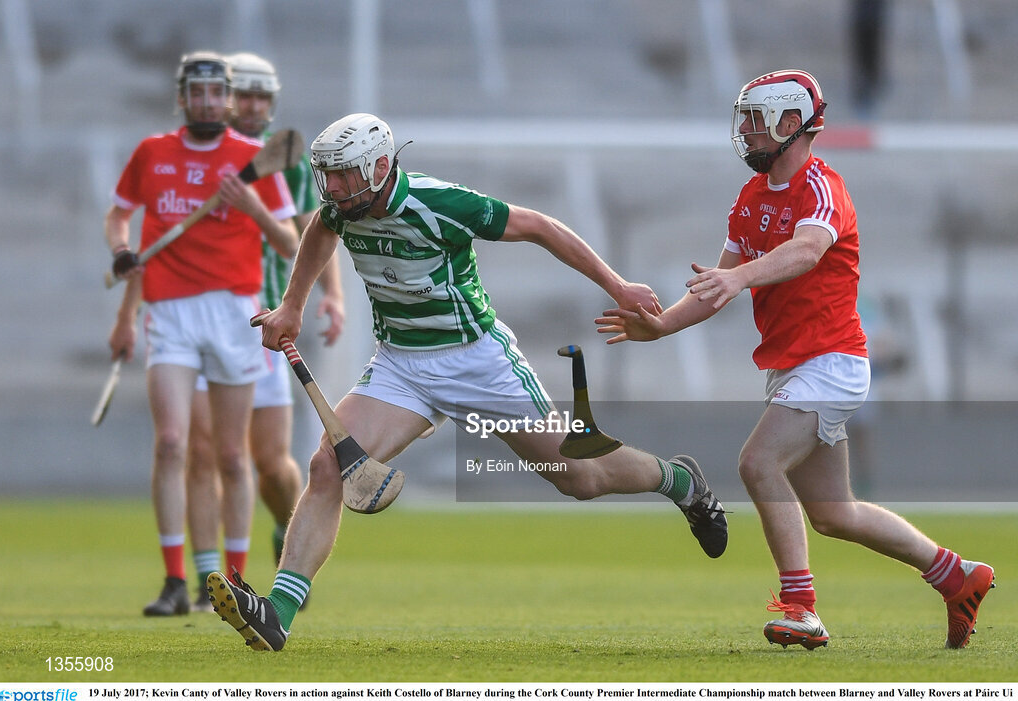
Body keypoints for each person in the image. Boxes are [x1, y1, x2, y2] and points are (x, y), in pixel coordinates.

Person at [205, 112, 729, 651]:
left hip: (478, 363)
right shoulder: (344, 209)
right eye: (326, 173)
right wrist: (292, 305)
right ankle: (279, 613)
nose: (331, 186)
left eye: (342, 173)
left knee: (581, 478)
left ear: (380, 166)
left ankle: (679, 481)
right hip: (401, 366)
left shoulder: (442, 204)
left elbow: (541, 227)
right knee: (328, 466)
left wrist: (618, 287)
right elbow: (319, 228)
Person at [596, 70, 994, 650]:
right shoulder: (751, 198)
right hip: (794, 367)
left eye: (758, 121)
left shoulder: (823, 188)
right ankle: (958, 576)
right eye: (746, 120)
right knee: (837, 514)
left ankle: (801, 607)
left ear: (792, 124)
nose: (748, 133)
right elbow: (716, 284)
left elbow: (806, 250)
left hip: (831, 362)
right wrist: (659, 327)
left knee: (757, 463)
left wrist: (737, 277)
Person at [107, 51, 299, 616]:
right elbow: (119, 215)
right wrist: (121, 251)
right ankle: (179, 579)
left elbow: (289, 242)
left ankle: (233, 584)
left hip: (234, 311)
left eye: (218, 93)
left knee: (232, 457)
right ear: (183, 96)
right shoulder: (152, 152)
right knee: (173, 443)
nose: (209, 102)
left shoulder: (250, 159)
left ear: (230, 98)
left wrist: (251, 207)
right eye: (198, 92)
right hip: (170, 312)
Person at [182, 51, 346, 612]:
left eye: (260, 97)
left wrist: (334, 296)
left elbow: (314, 230)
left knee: (269, 461)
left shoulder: (290, 160)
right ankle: (214, 579)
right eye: (242, 95)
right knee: (205, 450)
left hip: (270, 319)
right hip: (209, 317)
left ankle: (288, 525)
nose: (251, 106)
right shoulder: (199, 155)